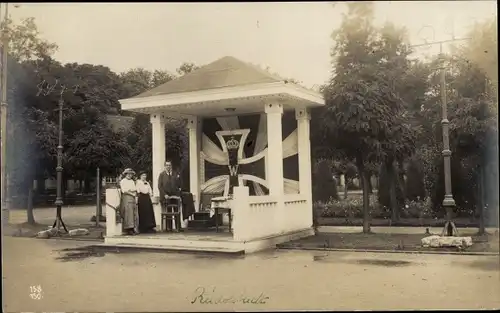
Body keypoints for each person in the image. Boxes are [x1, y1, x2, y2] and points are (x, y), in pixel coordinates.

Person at [119, 168, 138, 235]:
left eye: (131, 174)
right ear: (126, 174)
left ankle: (132, 228)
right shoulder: (123, 181)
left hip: (132, 198)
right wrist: (131, 193)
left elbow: (134, 189)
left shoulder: (132, 181)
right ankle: (128, 229)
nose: (130, 175)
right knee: (128, 213)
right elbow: (124, 191)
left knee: (133, 213)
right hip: (126, 198)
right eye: (128, 174)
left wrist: (133, 193)